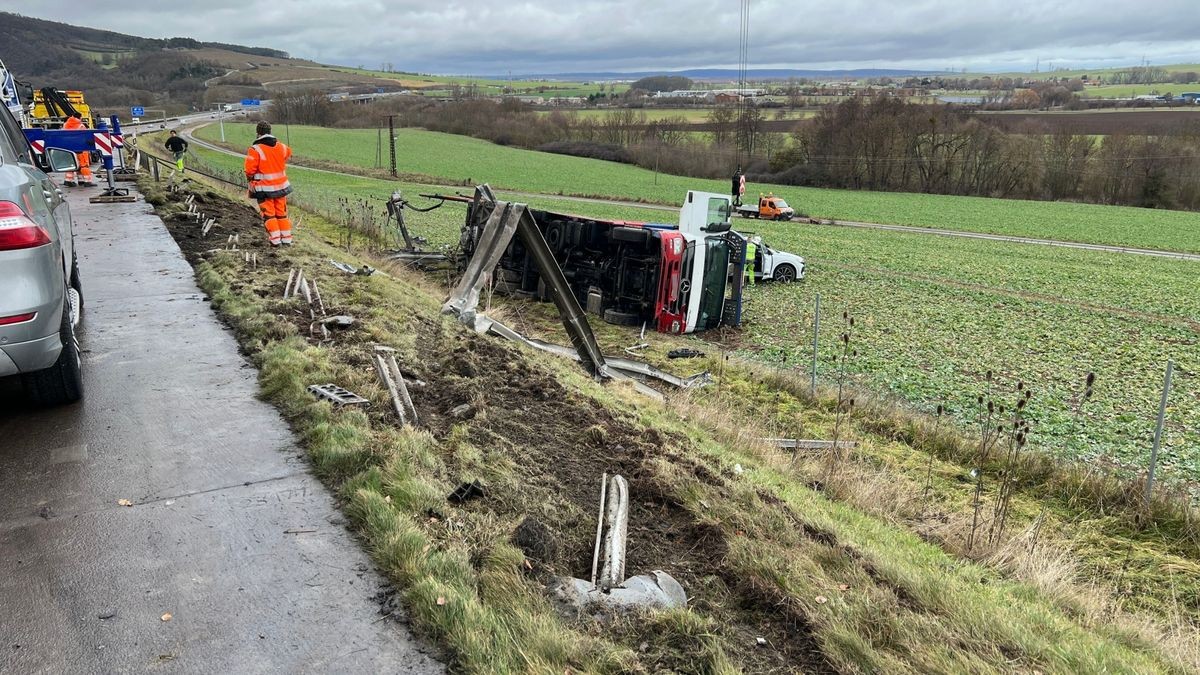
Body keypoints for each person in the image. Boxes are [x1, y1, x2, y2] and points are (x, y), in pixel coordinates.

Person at [243, 121, 293, 247]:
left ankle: (275, 241)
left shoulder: (255, 149)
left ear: (258, 133)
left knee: (269, 216)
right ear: (270, 132)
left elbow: (249, 170)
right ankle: (287, 240)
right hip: (282, 188)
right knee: (281, 214)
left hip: (264, 189)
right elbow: (288, 153)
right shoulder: (282, 147)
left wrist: (250, 181)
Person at [61, 113, 94, 187]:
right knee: (83, 165)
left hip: (69, 148)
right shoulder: (81, 125)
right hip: (81, 147)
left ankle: (69, 180)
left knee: (72, 164)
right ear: (80, 117)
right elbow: (86, 137)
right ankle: (87, 181)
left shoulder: (66, 125)